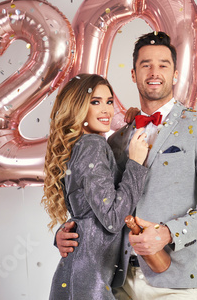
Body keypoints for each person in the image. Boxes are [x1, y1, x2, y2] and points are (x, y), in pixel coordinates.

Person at [56, 32, 197, 299]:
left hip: (175, 282)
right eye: (146, 65)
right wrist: (66, 232)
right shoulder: (117, 138)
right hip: (116, 281)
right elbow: (100, 201)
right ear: (133, 74)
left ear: (175, 74)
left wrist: (169, 233)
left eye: (163, 64)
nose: (155, 72)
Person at [42, 73, 150, 299]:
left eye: (109, 102)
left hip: (81, 272)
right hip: (89, 280)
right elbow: (111, 218)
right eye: (95, 102)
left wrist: (131, 121)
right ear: (77, 107)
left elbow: (86, 209)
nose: (106, 110)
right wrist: (136, 164)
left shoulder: (79, 145)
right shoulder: (92, 145)